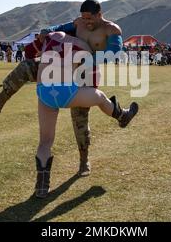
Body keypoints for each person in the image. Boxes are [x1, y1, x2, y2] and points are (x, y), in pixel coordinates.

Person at [0, 0, 124, 177]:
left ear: (100, 15)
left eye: (89, 18)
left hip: (85, 73)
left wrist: (85, 57)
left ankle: (84, 161)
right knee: (27, 66)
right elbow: (59, 28)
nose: (86, 22)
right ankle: (0, 99)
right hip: (65, 66)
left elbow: (114, 53)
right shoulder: (78, 23)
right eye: (83, 18)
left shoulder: (112, 30)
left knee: (80, 119)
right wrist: (48, 32)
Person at [34, 31, 139, 198]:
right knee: (100, 98)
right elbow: (102, 59)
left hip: (44, 92)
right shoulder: (81, 44)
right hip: (66, 91)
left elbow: (33, 50)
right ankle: (122, 116)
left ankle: (41, 187)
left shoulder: (49, 37)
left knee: (45, 142)